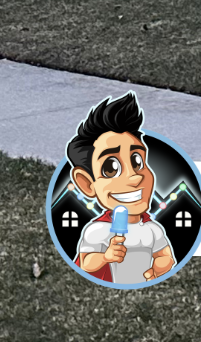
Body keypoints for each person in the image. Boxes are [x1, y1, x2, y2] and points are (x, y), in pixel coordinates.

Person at [65, 93, 176, 284]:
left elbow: (166, 255)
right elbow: (85, 263)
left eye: (137, 161)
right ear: (86, 184)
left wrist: (160, 268)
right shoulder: (98, 230)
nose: (134, 177)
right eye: (111, 168)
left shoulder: (152, 229)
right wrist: (105, 256)